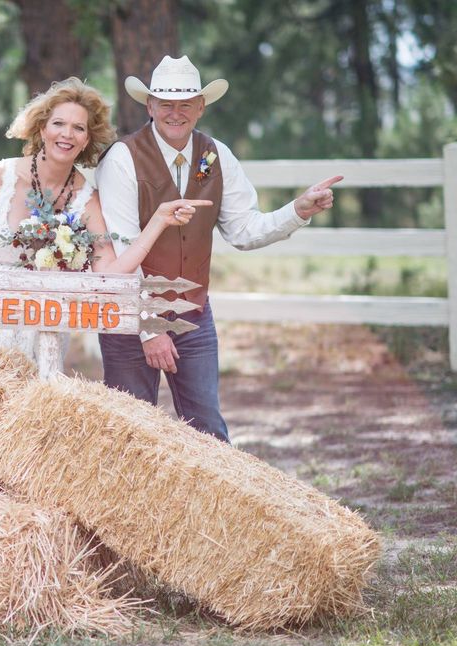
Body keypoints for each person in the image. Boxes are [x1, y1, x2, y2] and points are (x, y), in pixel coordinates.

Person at [96, 56, 342, 442]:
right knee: (127, 432)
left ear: (200, 107)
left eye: (185, 103)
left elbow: (244, 230)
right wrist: (151, 328)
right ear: (150, 106)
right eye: (166, 103)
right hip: (130, 317)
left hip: (194, 312)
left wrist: (297, 210)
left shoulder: (215, 155)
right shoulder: (122, 158)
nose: (175, 113)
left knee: (208, 432)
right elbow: (123, 248)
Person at [0, 77, 211, 367]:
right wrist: (26, 284)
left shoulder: (85, 198)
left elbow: (111, 272)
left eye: (78, 128)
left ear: (87, 139)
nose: (67, 134)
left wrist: (158, 221)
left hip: (45, 332)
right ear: (42, 128)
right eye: (59, 124)